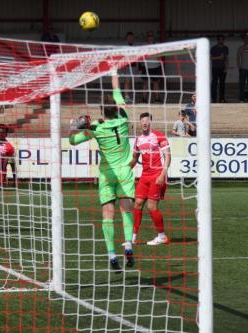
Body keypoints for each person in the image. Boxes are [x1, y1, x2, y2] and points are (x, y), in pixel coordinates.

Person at [69, 70, 134, 273]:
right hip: (124, 171)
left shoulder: (97, 127)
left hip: (107, 174)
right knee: (127, 209)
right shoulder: (123, 119)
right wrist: (114, 71)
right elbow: (116, 90)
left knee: (108, 213)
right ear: (115, 107)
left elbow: (73, 141)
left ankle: (112, 254)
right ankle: (129, 246)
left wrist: (73, 126)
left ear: (101, 110)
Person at [129, 113, 171, 245]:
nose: (144, 123)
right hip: (145, 176)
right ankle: (133, 237)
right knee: (137, 203)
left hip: (157, 174)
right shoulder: (138, 139)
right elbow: (135, 159)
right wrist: (125, 170)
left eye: (147, 121)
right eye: (142, 121)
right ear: (140, 123)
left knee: (151, 206)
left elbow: (168, 156)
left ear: (150, 122)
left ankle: (162, 236)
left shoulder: (159, 136)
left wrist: (162, 175)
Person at [141, 31, 163, 103]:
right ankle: (144, 98)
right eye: (149, 36)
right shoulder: (144, 46)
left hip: (156, 66)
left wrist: (161, 66)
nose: (150, 37)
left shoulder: (157, 45)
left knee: (156, 82)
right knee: (145, 83)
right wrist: (140, 66)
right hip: (146, 67)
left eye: (151, 36)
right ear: (147, 37)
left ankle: (157, 98)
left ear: (153, 37)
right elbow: (141, 57)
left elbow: (160, 56)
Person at [210, 35, 229, 103]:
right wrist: (219, 57)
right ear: (217, 40)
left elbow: (227, 58)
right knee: (214, 84)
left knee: (222, 84)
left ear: (223, 40)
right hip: (215, 68)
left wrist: (226, 68)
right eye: (219, 39)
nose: (221, 41)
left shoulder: (226, 48)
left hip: (223, 68)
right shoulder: (213, 48)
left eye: (222, 39)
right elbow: (210, 58)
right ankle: (213, 99)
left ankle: (222, 99)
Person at [121, 32, 137, 103]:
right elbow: (122, 58)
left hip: (133, 66)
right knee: (127, 82)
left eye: (131, 37)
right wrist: (123, 67)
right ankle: (126, 97)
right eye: (129, 37)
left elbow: (136, 58)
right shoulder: (125, 47)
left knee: (129, 82)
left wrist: (137, 67)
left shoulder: (134, 46)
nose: (130, 38)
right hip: (127, 66)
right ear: (126, 38)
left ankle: (127, 97)